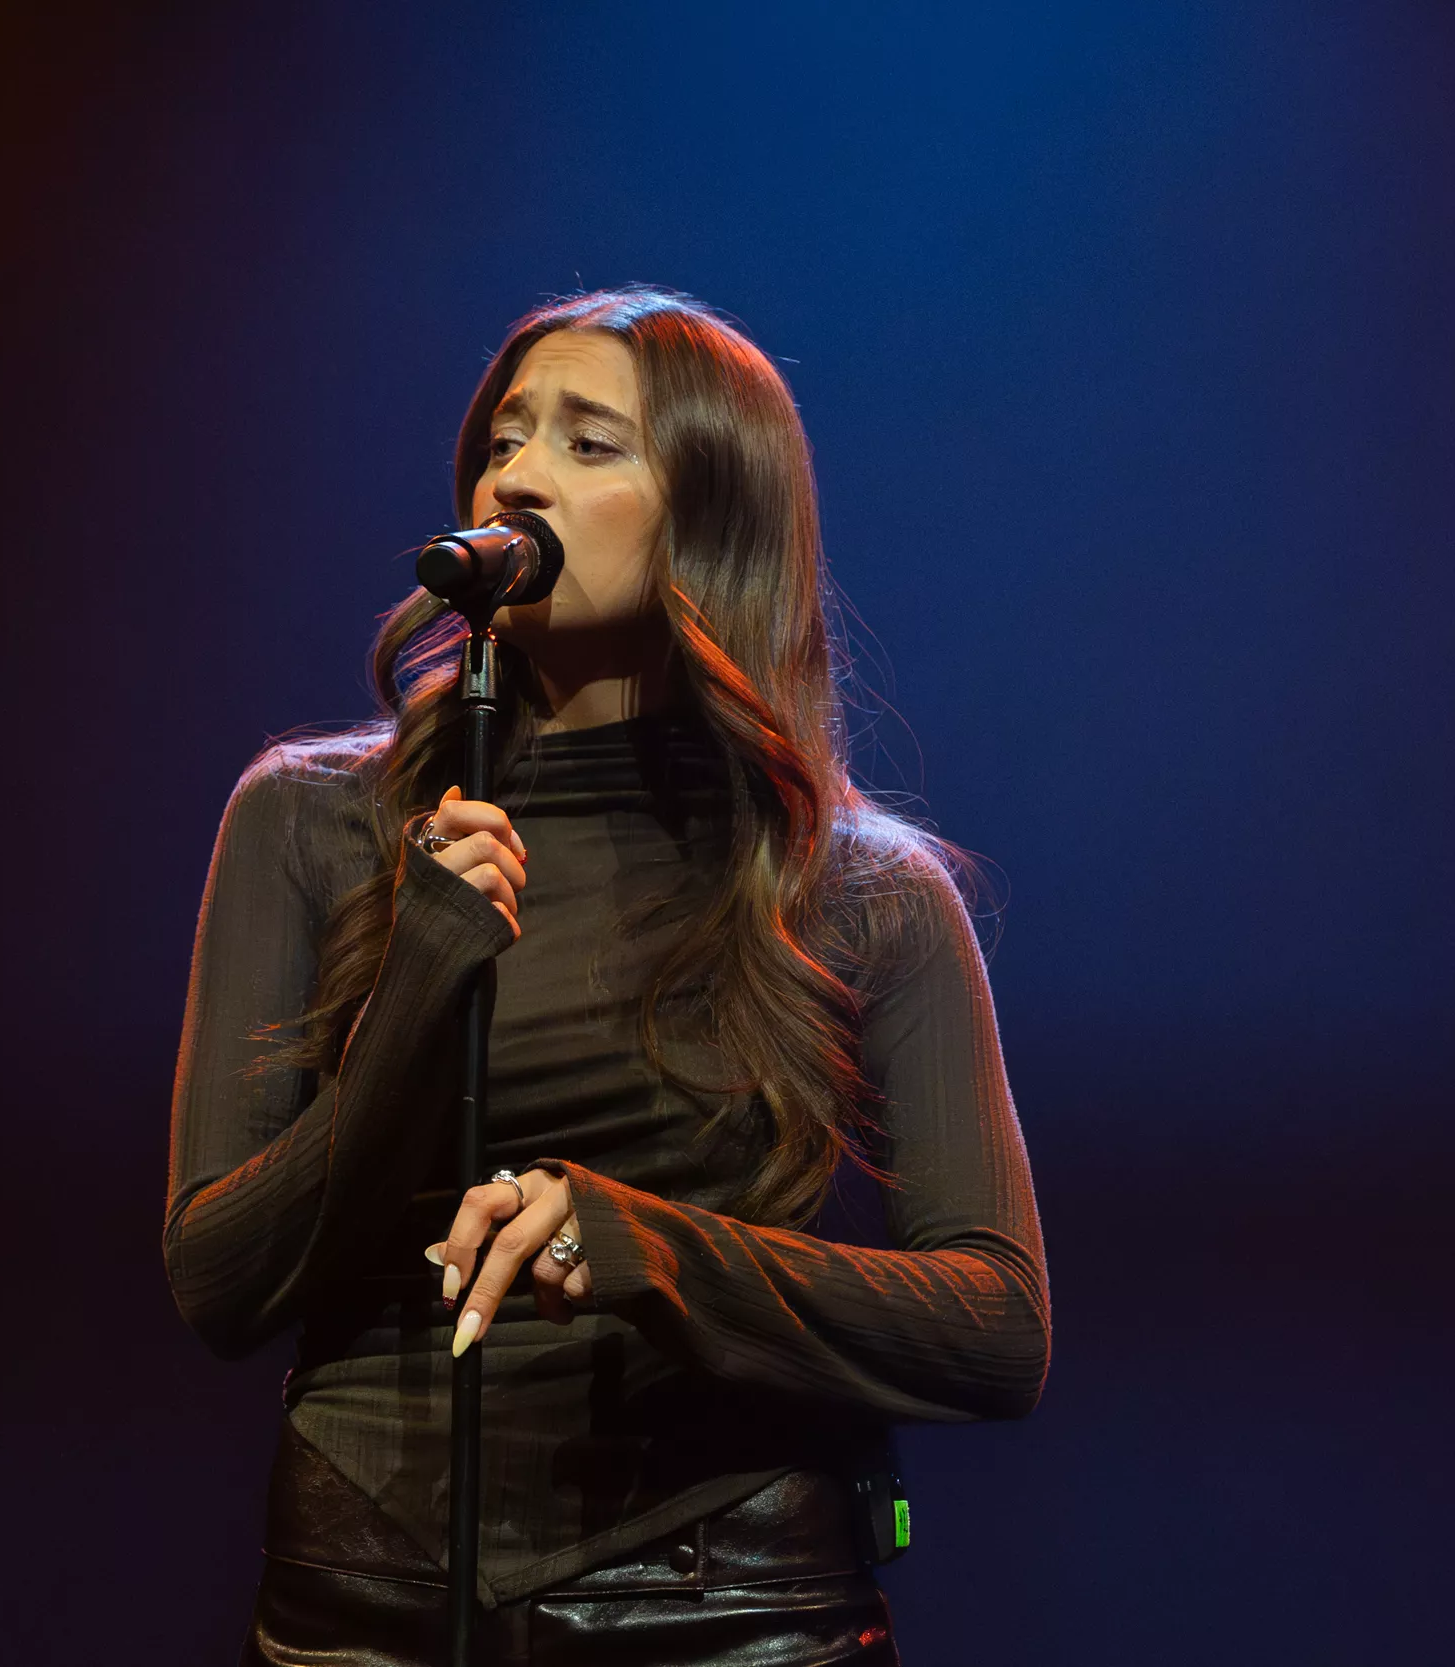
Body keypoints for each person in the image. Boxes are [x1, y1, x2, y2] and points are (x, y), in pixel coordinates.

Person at [164, 286, 1048, 1665]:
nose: (518, 477)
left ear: (713, 515)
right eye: (503, 439)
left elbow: (998, 1328)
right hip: (366, 1606)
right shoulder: (314, 821)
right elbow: (221, 1283)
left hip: (728, 1608)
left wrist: (646, 1249)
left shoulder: (858, 887)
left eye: (589, 443)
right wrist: (418, 980)